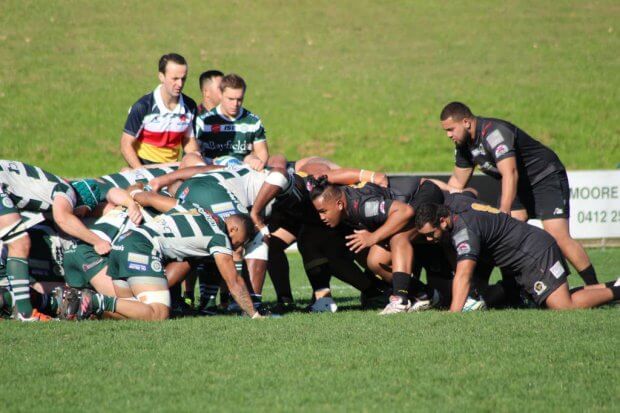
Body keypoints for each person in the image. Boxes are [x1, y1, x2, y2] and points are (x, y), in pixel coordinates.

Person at [439, 102, 599, 286]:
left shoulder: (493, 133)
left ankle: (594, 287)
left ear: (466, 122)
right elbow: (457, 184)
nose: (449, 135)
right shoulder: (464, 146)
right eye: (446, 131)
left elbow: (510, 173)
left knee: (558, 236)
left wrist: (504, 209)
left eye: (451, 129)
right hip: (517, 184)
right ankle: (515, 291)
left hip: (544, 177)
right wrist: (440, 209)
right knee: (506, 235)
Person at [414, 195, 620, 311]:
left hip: (534, 253)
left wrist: (454, 314)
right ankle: (614, 285)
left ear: (442, 220)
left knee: (562, 305)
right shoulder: (452, 203)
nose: (430, 240)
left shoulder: (465, 231)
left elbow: (464, 274)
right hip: (532, 248)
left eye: (432, 234)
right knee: (550, 299)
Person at [73, 203, 260, 321]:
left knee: (133, 314)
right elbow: (233, 281)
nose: (237, 247)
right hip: (142, 247)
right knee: (158, 314)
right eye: (240, 242)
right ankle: (94, 300)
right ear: (234, 229)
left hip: (124, 243)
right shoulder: (220, 237)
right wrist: (254, 314)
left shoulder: (199, 209)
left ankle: (81, 306)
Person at [0, 160, 119, 320]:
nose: (80, 217)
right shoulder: (67, 191)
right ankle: (25, 313)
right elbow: (63, 218)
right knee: (19, 243)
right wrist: (97, 241)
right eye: (82, 213)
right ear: (82, 205)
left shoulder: (49, 187)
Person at [120, 53, 198, 167]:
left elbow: (189, 141)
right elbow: (125, 144)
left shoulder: (190, 107)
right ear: (161, 76)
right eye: (175, 79)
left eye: (183, 79)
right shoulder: (143, 106)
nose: (180, 84)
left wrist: (194, 159)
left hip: (172, 168)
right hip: (144, 167)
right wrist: (140, 171)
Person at [194, 74, 269, 171]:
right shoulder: (203, 121)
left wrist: (257, 163)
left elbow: (262, 153)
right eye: (230, 99)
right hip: (211, 171)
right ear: (220, 94)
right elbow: (193, 153)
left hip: (242, 173)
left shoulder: (253, 122)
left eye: (239, 99)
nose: (235, 104)